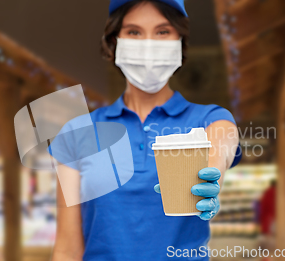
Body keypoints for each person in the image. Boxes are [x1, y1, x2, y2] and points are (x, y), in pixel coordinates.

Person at [51, 0, 241, 260]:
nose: (148, 44)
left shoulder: (208, 118)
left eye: (162, 31)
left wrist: (212, 172)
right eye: (134, 32)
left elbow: (223, 139)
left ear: (179, 41)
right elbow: (67, 248)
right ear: (115, 40)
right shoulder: (78, 132)